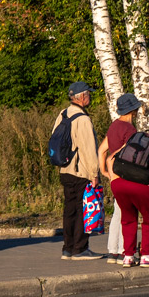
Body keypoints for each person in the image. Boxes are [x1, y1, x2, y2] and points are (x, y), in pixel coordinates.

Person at [99, 93, 149, 268]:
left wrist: (107, 173)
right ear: (133, 111)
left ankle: (127, 256)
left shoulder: (113, 126)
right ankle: (145, 255)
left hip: (118, 182)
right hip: (135, 180)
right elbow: (121, 154)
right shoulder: (131, 131)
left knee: (126, 219)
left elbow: (102, 151)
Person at [56, 81, 101, 260]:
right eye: (88, 94)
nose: (90, 97)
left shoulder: (63, 114)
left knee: (69, 210)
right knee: (84, 209)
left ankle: (67, 248)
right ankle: (80, 249)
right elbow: (88, 148)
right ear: (82, 97)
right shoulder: (83, 119)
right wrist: (94, 173)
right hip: (81, 171)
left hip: (65, 169)